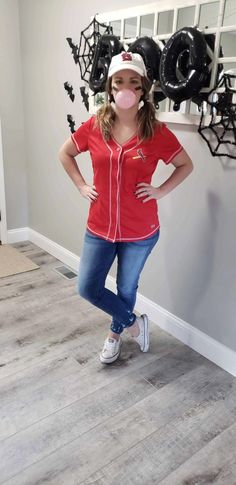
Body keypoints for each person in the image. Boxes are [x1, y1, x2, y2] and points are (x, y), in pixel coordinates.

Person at [59, 51, 193, 364]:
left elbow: (185, 164)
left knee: (126, 286)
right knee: (88, 287)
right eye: (119, 82)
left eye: (133, 82)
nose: (126, 88)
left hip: (141, 230)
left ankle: (114, 335)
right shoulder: (95, 125)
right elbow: (65, 153)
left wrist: (160, 190)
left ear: (143, 88)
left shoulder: (156, 132)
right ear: (110, 87)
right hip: (100, 226)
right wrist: (81, 185)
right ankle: (134, 323)